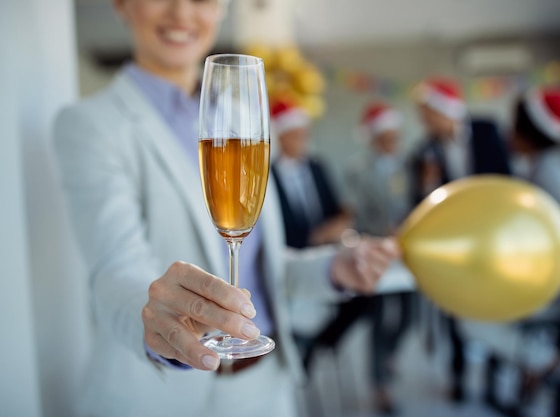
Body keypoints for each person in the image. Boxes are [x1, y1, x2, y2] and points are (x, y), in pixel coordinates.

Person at [52, 1, 398, 417]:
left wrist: (331, 269)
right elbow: (115, 272)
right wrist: (156, 325)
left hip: (266, 388)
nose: (182, 13)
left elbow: (259, 268)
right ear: (123, 5)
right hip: (157, 396)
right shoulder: (89, 124)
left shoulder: (244, 119)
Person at [481, 87, 560, 411]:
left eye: (514, 126)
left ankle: (546, 362)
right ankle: (536, 365)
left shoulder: (546, 176)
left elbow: (532, 243)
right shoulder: (548, 167)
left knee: (476, 314)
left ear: (530, 133)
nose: (508, 133)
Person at [408, 77, 511, 402]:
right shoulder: (424, 151)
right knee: (453, 307)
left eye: (428, 114)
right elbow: (420, 203)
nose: (424, 122)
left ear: (446, 111)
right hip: (454, 244)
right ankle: (459, 376)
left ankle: (495, 381)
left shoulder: (486, 131)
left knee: (495, 306)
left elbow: (506, 180)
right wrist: (428, 185)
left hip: (492, 236)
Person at [344, 100, 416, 414]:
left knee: (410, 316)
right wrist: (379, 230)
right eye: (385, 137)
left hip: (407, 254)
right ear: (373, 137)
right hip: (377, 252)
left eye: (394, 136)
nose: (391, 142)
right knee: (380, 318)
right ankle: (378, 383)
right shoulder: (358, 170)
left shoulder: (407, 166)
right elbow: (354, 214)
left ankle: (389, 355)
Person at [270, 99, 352, 249]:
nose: (303, 141)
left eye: (305, 135)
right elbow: (274, 225)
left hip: (327, 249)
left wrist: (341, 220)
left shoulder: (317, 167)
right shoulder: (269, 176)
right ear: (281, 137)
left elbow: (334, 207)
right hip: (291, 252)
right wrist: (315, 237)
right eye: (296, 136)